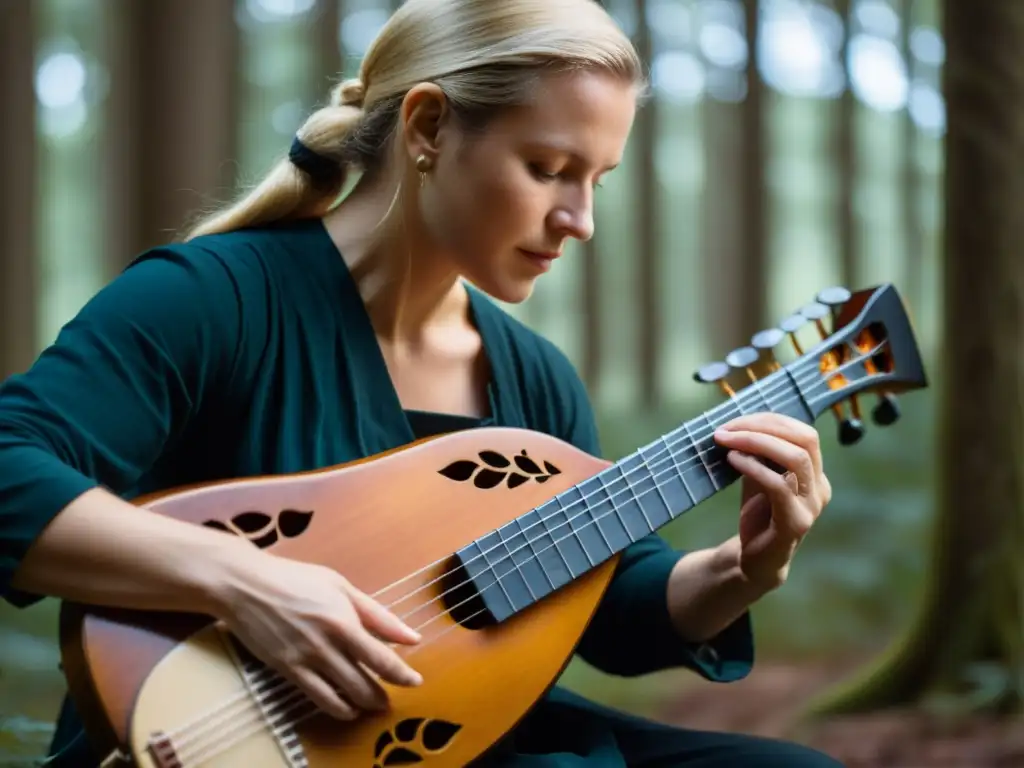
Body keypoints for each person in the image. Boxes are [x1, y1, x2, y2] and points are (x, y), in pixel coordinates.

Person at [0, 0, 843, 765]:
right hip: (212, 735)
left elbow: (611, 605)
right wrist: (245, 582)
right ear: (429, 125)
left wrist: (744, 568)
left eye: (597, 180)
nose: (579, 220)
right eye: (550, 168)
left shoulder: (531, 377)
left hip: (458, 734)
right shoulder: (212, 301)